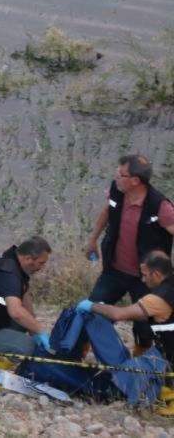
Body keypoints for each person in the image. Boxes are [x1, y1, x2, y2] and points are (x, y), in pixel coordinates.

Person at [84, 155, 174, 354]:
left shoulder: (160, 206)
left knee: (144, 328)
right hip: (114, 271)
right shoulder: (117, 191)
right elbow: (106, 212)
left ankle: (140, 367)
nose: (116, 177)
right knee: (92, 311)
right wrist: (92, 240)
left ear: (135, 181)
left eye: (121, 174)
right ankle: (76, 356)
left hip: (145, 278)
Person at [77, 251, 174, 367]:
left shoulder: (157, 299)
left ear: (157, 275)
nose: (143, 280)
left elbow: (118, 314)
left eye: (145, 275)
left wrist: (90, 305)